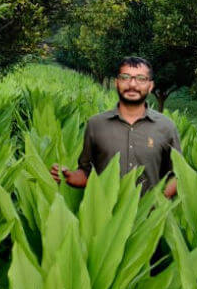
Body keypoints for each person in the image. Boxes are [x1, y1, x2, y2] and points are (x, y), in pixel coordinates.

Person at [50, 57, 180, 198]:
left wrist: (156, 206)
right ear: (116, 83)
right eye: (125, 77)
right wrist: (68, 176)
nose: (132, 84)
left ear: (150, 86)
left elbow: (178, 176)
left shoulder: (166, 127)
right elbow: (87, 173)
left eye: (141, 79)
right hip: (106, 217)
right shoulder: (96, 124)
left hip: (148, 218)